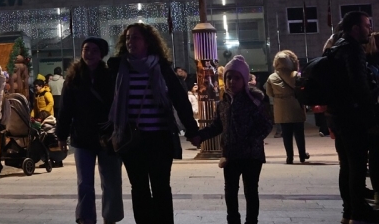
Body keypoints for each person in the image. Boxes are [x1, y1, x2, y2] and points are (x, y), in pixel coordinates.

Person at [108, 23, 198, 224]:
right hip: (131, 140)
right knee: (139, 188)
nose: (131, 42)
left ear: (147, 42)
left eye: (136, 38)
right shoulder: (118, 67)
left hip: (159, 138)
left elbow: (179, 100)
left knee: (161, 187)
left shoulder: (161, 67)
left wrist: (192, 130)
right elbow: (106, 100)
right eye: (128, 38)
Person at [192, 56, 273, 224]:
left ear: (244, 79)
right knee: (230, 191)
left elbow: (266, 125)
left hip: (251, 155)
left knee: (251, 191)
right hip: (231, 154)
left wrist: (251, 140)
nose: (232, 81)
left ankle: (251, 221)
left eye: (236, 78)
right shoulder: (223, 103)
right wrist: (201, 135)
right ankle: (233, 220)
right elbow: (217, 126)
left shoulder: (254, 101)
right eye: (228, 77)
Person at [56, 37, 123, 224]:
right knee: (84, 182)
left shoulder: (111, 75)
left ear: (102, 54)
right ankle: (85, 218)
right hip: (82, 137)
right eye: (86, 49)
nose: (89, 54)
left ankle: (110, 217)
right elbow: (65, 109)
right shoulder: (74, 77)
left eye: (94, 50)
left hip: (108, 137)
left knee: (111, 182)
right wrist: (61, 135)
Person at [327, 11, 378, 223]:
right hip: (352, 116)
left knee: (347, 165)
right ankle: (358, 209)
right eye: (367, 25)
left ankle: (349, 209)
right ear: (355, 28)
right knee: (356, 164)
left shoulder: (336, 47)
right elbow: (359, 86)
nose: (369, 29)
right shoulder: (353, 49)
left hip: (338, 116)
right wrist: (371, 115)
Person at [264, 50, 309, 164]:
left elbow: (269, 93)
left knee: (286, 134)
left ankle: (289, 157)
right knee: (299, 133)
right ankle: (302, 155)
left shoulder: (272, 77)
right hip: (296, 107)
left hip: (281, 109)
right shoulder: (296, 75)